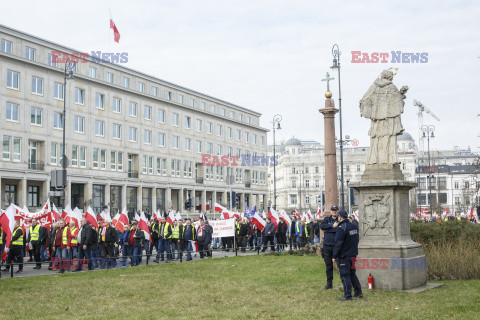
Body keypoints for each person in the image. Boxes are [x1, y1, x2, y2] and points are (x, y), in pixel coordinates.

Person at [332, 210, 362, 301]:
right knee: (352, 274)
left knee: (345, 275)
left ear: (340, 217)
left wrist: (334, 256)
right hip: (353, 253)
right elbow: (356, 240)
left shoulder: (342, 228)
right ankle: (358, 292)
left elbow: (338, 243)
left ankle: (347, 295)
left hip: (344, 255)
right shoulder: (353, 226)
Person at [320, 205, 339, 289]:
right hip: (327, 245)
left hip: (337, 246)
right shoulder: (327, 219)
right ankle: (329, 283)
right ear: (331, 211)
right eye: (332, 210)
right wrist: (332, 226)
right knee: (328, 266)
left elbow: (340, 229)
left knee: (341, 265)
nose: (334, 211)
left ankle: (345, 282)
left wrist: (329, 229)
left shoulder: (340, 219)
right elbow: (322, 226)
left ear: (337, 211)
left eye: (335, 210)